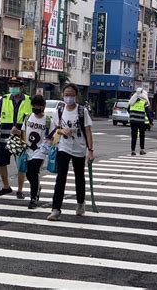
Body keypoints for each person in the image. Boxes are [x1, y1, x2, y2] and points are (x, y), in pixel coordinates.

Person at [47, 83, 94, 221]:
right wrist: (62, 131)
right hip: (64, 147)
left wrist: (90, 150)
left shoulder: (82, 111)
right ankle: (55, 209)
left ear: (76, 96)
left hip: (79, 148)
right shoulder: (60, 110)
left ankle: (80, 203)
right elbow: (56, 128)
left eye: (71, 95)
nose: (69, 98)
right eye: (66, 95)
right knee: (61, 177)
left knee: (79, 176)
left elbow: (88, 131)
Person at [0, 77, 32, 199]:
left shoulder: (29, 100)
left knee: (21, 165)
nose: (13, 87)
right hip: (5, 137)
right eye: (11, 85)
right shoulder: (5, 99)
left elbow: (33, 119)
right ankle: (6, 187)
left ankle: (20, 189)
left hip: (20, 137)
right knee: (2, 162)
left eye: (15, 85)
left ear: (22, 87)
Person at [12, 95, 55, 209]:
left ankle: (33, 198)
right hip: (28, 149)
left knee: (34, 172)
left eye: (38, 106)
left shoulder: (47, 121)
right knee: (29, 174)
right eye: (34, 106)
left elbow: (51, 137)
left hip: (40, 151)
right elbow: (23, 132)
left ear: (43, 107)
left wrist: (45, 149)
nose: (36, 108)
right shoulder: (28, 118)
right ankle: (37, 188)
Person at [128, 88, 151, 156]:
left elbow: (128, 109)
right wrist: (150, 121)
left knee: (134, 136)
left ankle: (133, 151)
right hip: (141, 121)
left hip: (133, 121)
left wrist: (132, 115)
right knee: (142, 136)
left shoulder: (132, 101)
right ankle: (141, 150)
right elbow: (147, 112)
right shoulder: (144, 101)